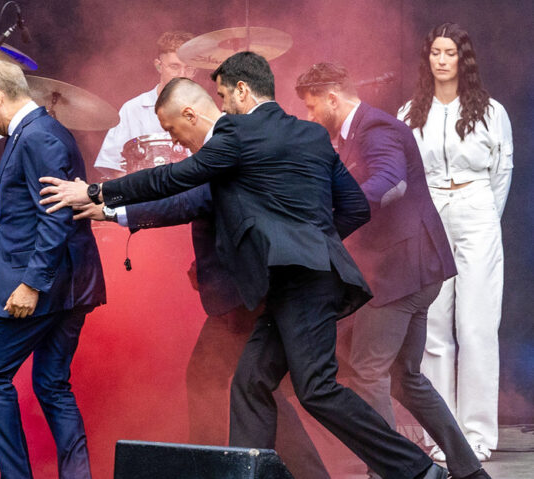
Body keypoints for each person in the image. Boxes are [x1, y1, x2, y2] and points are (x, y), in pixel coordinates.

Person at [39, 53, 448, 479]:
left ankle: (418, 471)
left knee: (318, 390)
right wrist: (316, 243)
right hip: (297, 283)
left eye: (222, 94)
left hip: (300, 286)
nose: (222, 105)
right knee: (250, 383)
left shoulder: (235, 133)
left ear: (242, 91)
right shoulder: (308, 134)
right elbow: (353, 209)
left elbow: (173, 180)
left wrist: (96, 190)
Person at [75, 96, 329, 479]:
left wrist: (110, 208)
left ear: (191, 114)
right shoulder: (227, 143)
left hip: (242, 296)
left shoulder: (225, 145)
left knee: (253, 386)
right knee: (224, 380)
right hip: (237, 294)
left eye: (174, 129)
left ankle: (246, 468)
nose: (175, 141)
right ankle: (214, 463)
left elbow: (187, 200)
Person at [296, 62, 491, 479]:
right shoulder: (354, 134)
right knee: (406, 378)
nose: (310, 117)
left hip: (398, 273)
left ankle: (394, 472)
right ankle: (469, 471)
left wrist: (331, 218)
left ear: (332, 98)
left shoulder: (375, 129)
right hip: (417, 270)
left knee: (367, 371)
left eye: (313, 108)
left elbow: (389, 181)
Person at [0, 60, 106, 478]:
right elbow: (20, 203)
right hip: (69, 284)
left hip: (47, 286)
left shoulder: (36, 137)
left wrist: (32, 284)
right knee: (51, 385)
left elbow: (55, 216)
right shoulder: (41, 132)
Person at [398, 23, 512, 463]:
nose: (442, 60)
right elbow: (407, 172)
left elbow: (503, 169)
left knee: (477, 325)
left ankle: (478, 434)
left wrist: (486, 218)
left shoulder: (489, 110)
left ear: (462, 59)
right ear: (427, 58)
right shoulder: (411, 111)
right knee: (434, 327)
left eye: (449, 52)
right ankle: (440, 434)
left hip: (476, 205)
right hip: (430, 212)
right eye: (435, 52)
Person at [93, 31, 195, 178]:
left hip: (191, 198)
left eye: (189, 69)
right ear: (159, 66)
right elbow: (114, 165)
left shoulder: (203, 111)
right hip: (143, 197)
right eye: (174, 67)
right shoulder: (133, 109)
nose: (182, 74)